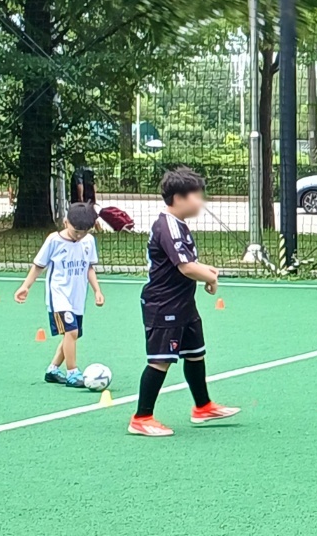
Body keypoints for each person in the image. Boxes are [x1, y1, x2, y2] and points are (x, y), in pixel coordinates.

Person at [129, 167, 239, 437]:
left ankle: (203, 407)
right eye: (196, 196)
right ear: (178, 198)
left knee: (195, 353)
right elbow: (185, 267)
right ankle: (141, 417)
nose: (200, 202)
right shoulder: (167, 226)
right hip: (163, 305)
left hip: (183, 305)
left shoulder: (179, 225)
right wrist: (211, 277)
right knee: (160, 361)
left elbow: (189, 264)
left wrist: (207, 272)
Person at [14, 202, 104, 387]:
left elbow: (89, 267)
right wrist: (26, 286)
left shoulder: (88, 242)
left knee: (73, 335)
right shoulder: (54, 241)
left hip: (78, 297)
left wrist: (97, 290)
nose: (79, 235)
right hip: (59, 295)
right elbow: (39, 265)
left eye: (84, 231)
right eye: (76, 231)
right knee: (71, 331)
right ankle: (73, 373)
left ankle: (53, 370)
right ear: (65, 223)